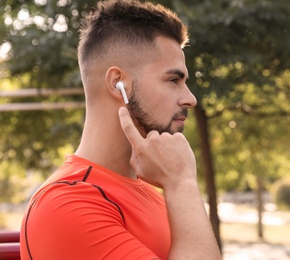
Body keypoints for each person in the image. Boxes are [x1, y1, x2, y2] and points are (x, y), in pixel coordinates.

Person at [19, 0, 222, 259]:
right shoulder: (66, 203)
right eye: (173, 80)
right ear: (118, 84)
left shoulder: (157, 193)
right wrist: (182, 182)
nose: (190, 99)